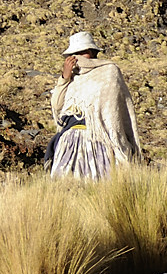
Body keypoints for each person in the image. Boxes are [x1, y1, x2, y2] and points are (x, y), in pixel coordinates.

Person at [45, 31, 141, 179]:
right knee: (64, 187)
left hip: (99, 140)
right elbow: (58, 107)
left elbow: (114, 111)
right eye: (74, 54)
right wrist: (64, 78)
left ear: (91, 52)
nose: (78, 57)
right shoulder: (72, 77)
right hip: (69, 141)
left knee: (99, 185)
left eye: (82, 52)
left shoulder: (109, 72)